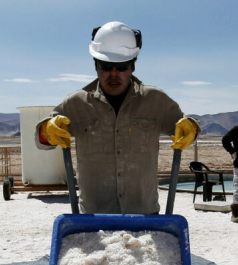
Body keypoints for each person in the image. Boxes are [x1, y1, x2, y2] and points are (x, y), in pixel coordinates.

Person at [34, 21, 200, 214]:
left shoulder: (156, 101)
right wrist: (47, 130)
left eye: (121, 66)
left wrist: (192, 128)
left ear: (133, 66)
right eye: (106, 66)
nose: (114, 74)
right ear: (96, 65)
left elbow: (186, 129)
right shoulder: (76, 103)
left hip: (144, 215)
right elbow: (41, 141)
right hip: (93, 218)